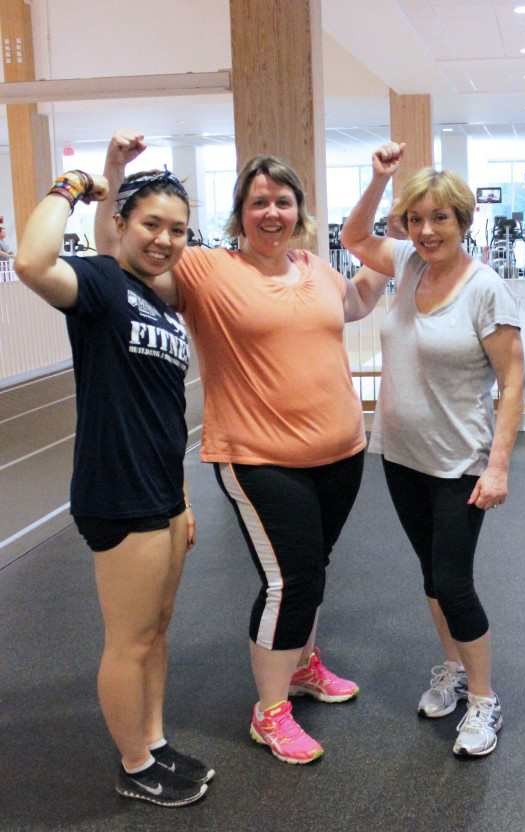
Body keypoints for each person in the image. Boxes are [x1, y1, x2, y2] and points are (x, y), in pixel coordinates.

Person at [97, 132, 390, 765]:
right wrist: (113, 171)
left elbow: (359, 301)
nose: (272, 213)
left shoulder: (314, 267)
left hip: (340, 452)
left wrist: (392, 253)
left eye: (283, 201)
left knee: (314, 570)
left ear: (299, 210)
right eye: (259, 202)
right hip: (258, 456)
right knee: (290, 581)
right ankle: (270, 713)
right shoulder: (206, 269)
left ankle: (304, 665)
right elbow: (116, 259)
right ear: (241, 212)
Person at [15, 167, 211, 806]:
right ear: (122, 225)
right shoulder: (100, 283)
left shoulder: (156, 300)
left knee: (156, 628)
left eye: (177, 229)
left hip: (160, 490)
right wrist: (70, 185)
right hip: (117, 491)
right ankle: (133, 764)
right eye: (152, 224)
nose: (164, 239)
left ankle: (152, 742)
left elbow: (161, 412)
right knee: (129, 639)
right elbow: (31, 261)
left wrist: (182, 499)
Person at [342, 143, 525, 757]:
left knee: (453, 579)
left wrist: (498, 465)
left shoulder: (486, 289)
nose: (425, 230)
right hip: (400, 454)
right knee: (430, 575)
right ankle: (450, 667)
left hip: (460, 461)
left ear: (463, 221)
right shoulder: (406, 264)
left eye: (439, 218)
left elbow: (513, 381)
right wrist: (379, 180)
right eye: (416, 219)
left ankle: (483, 699)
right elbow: (351, 235)